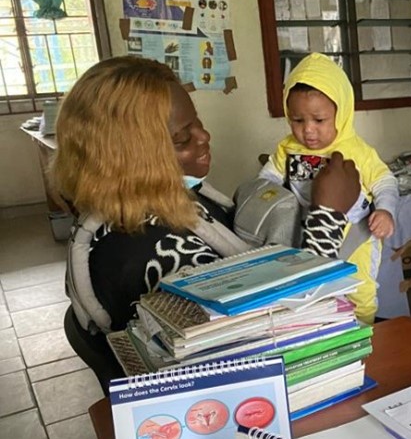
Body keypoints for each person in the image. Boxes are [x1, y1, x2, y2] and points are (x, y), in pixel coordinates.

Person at [52, 56, 362, 393]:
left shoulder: (150, 205)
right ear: (129, 160)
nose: (204, 136)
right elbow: (284, 339)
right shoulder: (152, 253)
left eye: (197, 123)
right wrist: (328, 217)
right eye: (182, 139)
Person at [259, 53, 398, 323]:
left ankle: (364, 333)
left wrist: (386, 210)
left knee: (360, 291)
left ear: (341, 113)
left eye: (319, 120)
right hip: (309, 237)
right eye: (297, 120)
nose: (308, 130)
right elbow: (267, 181)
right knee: (314, 293)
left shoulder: (357, 151)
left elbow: (386, 181)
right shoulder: (287, 149)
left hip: (355, 238)